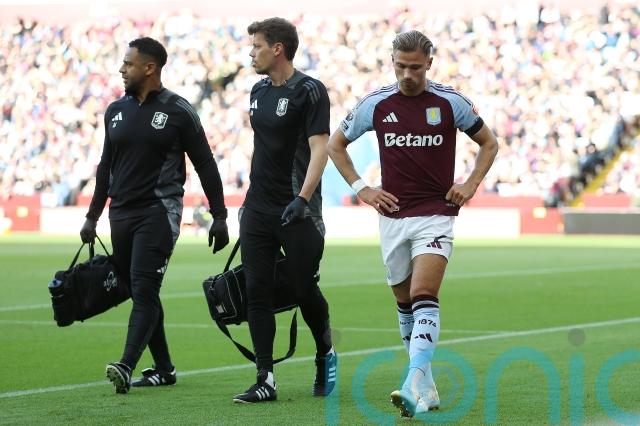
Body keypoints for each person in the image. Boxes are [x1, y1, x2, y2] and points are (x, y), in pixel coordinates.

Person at [328, 30, 498, 417]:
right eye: (401, 66)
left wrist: (470, 184)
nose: (407, 74)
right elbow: (335, 145)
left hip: (436, 214)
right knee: (404, 303)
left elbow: (489, 143)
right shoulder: (375, 104)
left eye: (416, 67)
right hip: (392, 217)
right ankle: (428, 388)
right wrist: (362, 188)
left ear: (429, 64)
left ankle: (412, 382)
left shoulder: (450, 103)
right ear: (392, 62)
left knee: (423, 293)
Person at [79, 37, 229, 394]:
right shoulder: (115, 110)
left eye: (128, 64)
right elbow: (105, 167)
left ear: (150, 68)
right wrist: (92, 216)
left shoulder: (179, 111)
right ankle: (163, 368)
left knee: (145, 288)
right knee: (139, 289)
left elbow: (205, 164)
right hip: (120, 214)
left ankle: (126, 364)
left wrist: (220, 215)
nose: (121, 69)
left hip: (159, 212)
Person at [232, 17, 336, 404]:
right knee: (256, 290)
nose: (251, 53)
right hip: (258, 207)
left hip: (298, 208)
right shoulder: (257, 91)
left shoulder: (310, 90)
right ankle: (265, 378)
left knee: (302, 288)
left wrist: (303, 198)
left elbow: (320, 148)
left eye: (256, 46)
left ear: (277, 49)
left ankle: (325, 352)